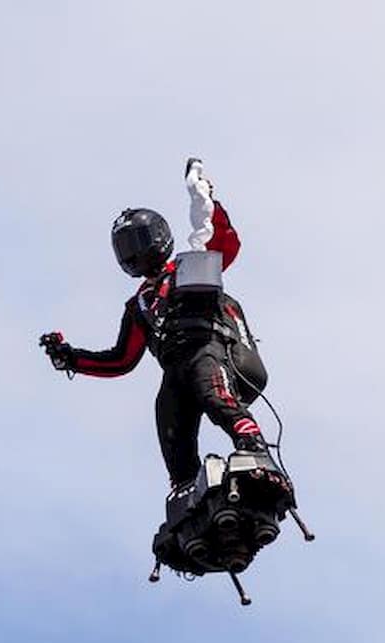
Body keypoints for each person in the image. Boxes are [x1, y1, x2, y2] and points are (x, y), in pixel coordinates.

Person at [41, 158, 273, 489]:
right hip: (174, 367)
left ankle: (254, 449)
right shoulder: (138, 304)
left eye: (138, 241)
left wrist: (207, 201)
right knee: (169, 421)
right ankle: (186, 490)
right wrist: (71, 357)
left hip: (208, 348)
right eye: (126, 247)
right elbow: (121, 359)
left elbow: (223, 242)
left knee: (213, 393)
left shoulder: (188, 267)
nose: (133, 252)